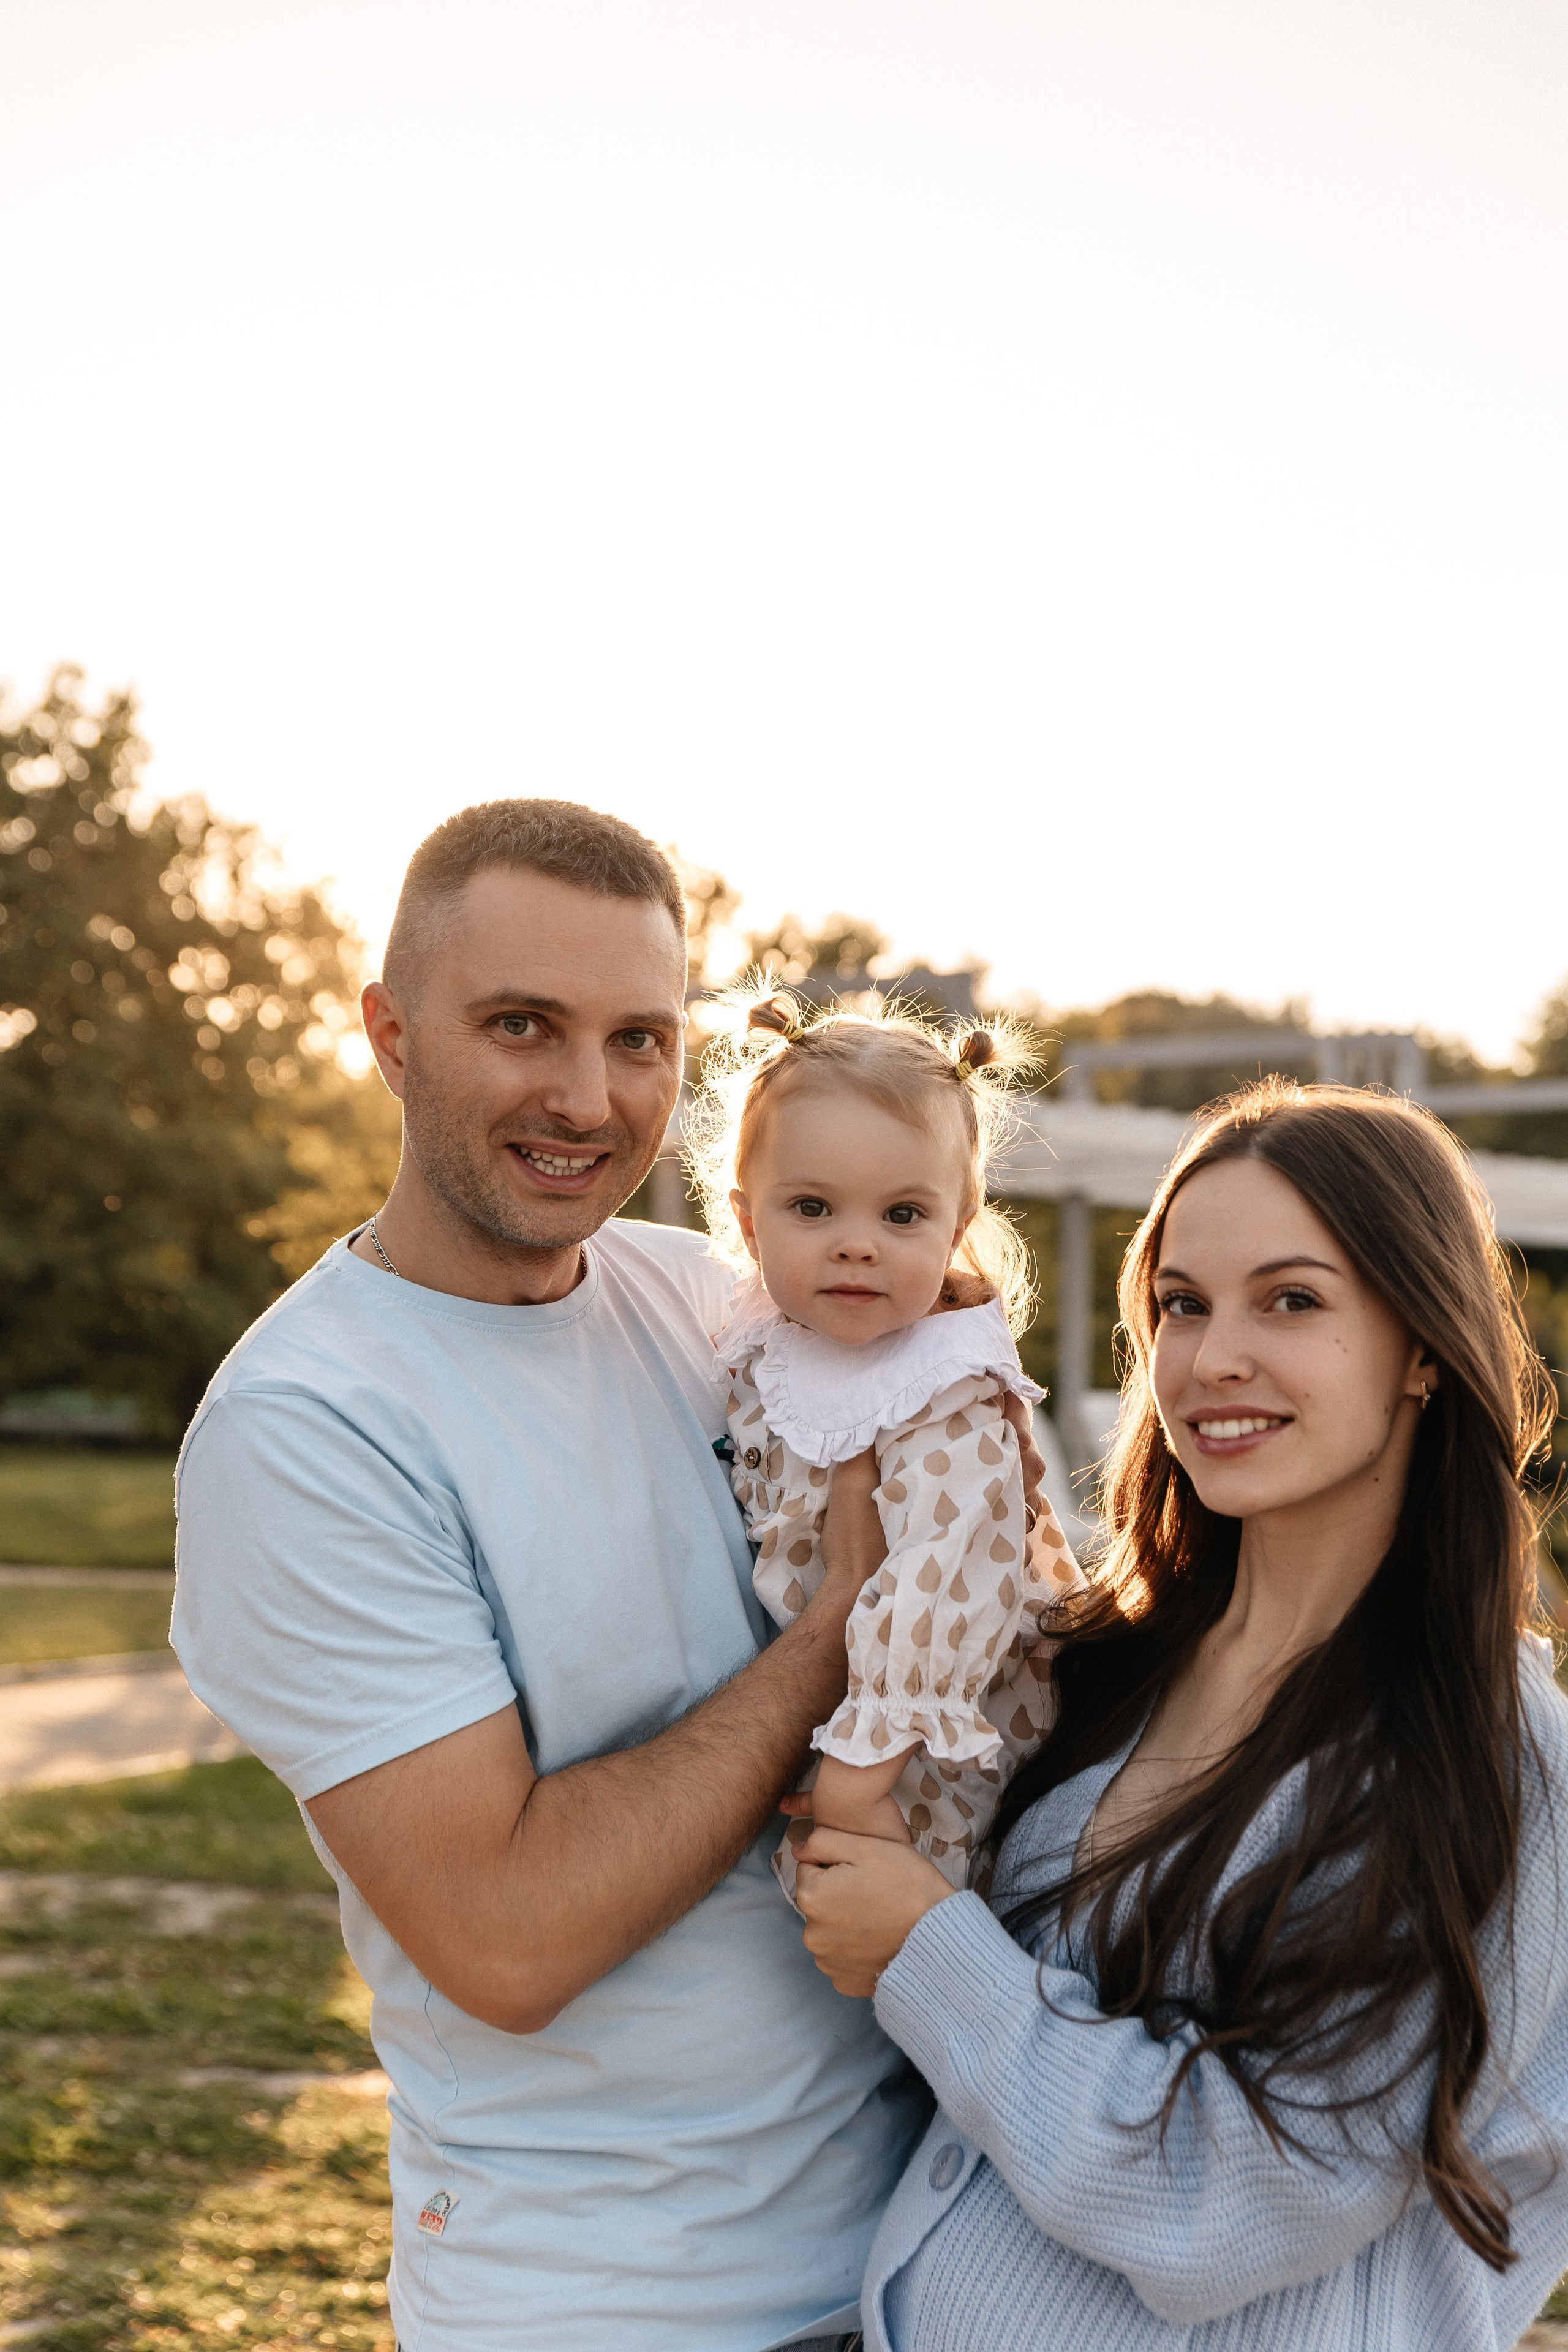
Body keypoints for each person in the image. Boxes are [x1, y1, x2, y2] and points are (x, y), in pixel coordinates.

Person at [172, 797, 1046, 2352]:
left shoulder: (708, 1297)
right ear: (386, 1032)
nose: (587, 1097)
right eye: (522, 1026)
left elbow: (974, 1493)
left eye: (639, 1039)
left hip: (923, 2258)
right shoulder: (307, 1430)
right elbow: (505, 1936)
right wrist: (844, 1632)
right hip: (619, 2301)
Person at [791, 1080, 1568, 2350]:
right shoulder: (1100, 1661)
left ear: (1422, 1344)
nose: (1210, 1360)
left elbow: (1239, 2205)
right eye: (1180, 1305)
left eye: (1292, 1300)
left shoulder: (1491, 1761)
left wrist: (926, 1953)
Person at [688, 987, 1082, 1893]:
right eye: (814, 1209)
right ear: (750, 1222)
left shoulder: (944, 1389)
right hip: (830, 1721)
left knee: (924, 1934)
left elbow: (952, 1584)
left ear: (959, 1221)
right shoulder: (764, 1342)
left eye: (902, 1216)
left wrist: (858, 1785)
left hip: (945, 1745)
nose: (856, 1245)